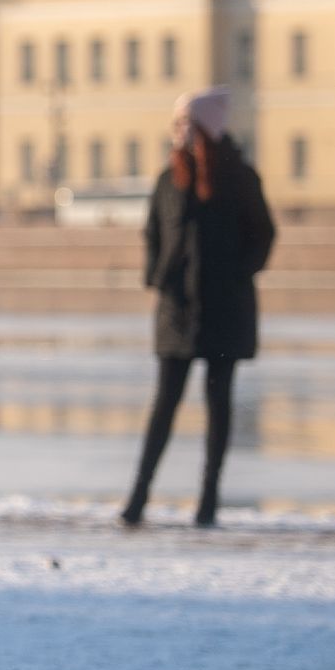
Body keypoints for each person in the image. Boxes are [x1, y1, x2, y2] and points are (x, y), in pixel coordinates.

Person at [121, 87, 275, 529]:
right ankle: (138, 498)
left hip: (226, 311)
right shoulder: (169, 180)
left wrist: (237, 276)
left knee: (218, 404)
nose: (180, 133)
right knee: (164, 404)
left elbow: (263, 236)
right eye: (177, 125)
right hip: (177, 310)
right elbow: (152, 234)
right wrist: (157, 277)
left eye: (188, 124)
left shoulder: (240, 178)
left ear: (209, 128)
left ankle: (208, 501)